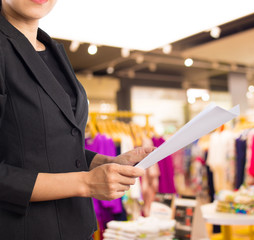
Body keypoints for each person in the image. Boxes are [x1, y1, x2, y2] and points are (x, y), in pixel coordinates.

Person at [0, 0, 154, 239]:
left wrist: (105, 162)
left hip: (76, 226)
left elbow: (48, 147)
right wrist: (86, 183)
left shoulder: (51, 49)